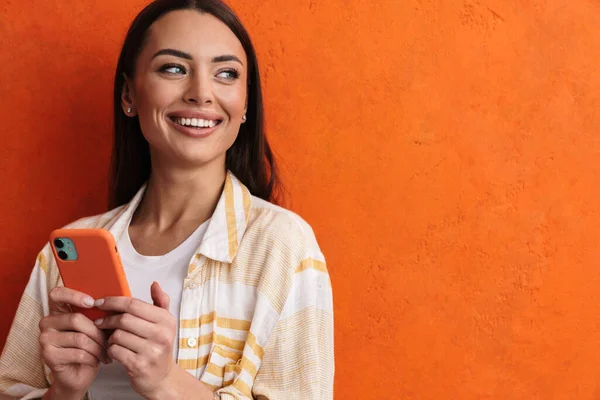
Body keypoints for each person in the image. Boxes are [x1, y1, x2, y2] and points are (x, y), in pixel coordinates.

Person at [0, 0, 334, 398]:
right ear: (129, 93)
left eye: (226, 73)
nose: (201, 93)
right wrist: (65, 392)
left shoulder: (282, 246)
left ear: (245, 104)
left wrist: (165, 381)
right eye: (173, 68)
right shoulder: (67, 249)